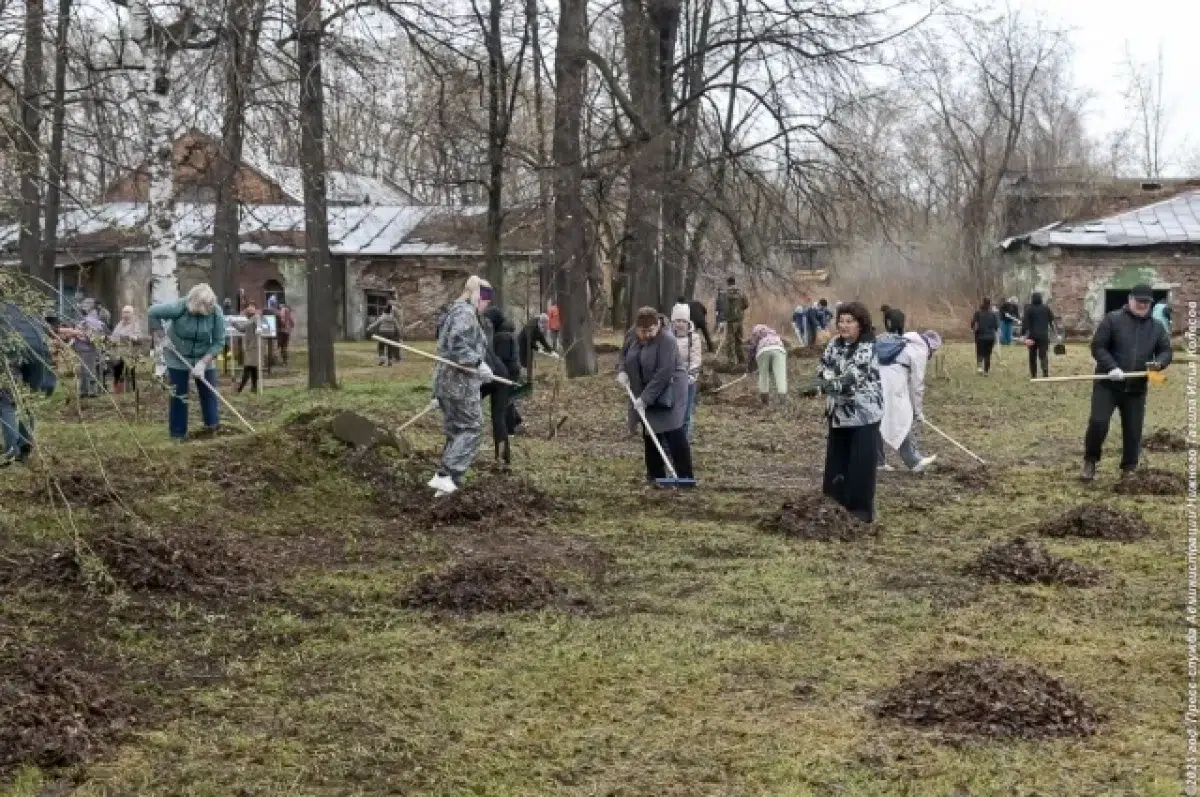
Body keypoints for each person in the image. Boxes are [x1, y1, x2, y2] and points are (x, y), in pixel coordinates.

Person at [802, 301, 883, 523]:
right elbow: (823, 368)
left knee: (860, 465)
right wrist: (821, 383)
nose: (844, 326)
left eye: (850, 321)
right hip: (838, 413)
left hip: (864, 414)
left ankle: (860, 512)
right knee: (837, 462)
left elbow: (853, 378)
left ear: (860, 324)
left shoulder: (868, 346)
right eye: (841, 321)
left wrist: (824, 385)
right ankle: (834, 506)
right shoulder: (833, 345)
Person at [1081, 284, 1172, 482]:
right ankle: (1090, 460)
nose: (1142, 305)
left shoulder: (1156, 327)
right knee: (1098, 423)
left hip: (1136, 388)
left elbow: (1166, 351)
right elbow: (1098, 347)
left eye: (1146, 302)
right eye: (1138, 301)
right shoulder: (1112, 320)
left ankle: (1129, 468)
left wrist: (1159, 363)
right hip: (1108, 384)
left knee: (1133, 430)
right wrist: (1111, 367)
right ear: (1130, 299)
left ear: (1150, 303)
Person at [427, 276, 494, 496]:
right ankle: (447, 474)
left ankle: (446, 485)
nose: (487, 304)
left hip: (450, 383)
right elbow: (457, 344)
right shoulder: (465, 313)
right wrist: (477, 364)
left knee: (456, 431)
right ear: (476, 294)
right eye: (485, 299)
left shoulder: (455, 312)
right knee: (472, 428)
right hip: (459, 385)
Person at [618, 306, 694, 486]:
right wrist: (622, 371)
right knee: (650, 431)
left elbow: (663, 373)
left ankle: (685, 476)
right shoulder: (632, 335)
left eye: (650, 331)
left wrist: (645, 399)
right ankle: (655, 474)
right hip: (644, 388)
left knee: (672, 429)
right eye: (642, 331)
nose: (646, 335)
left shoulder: (667, 340)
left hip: (671, 388)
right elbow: (623, 356)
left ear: (657, 325)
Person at [148, 283, 226, 441]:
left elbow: (219, 341)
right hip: (177, 354)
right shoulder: (179, 307)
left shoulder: (216, 313)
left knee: (208, 391)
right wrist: (161, 336)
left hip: (204, 354)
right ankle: (177, 434)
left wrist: (203, 363)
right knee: (178, 394)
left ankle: (212, 428)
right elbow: (152, 312)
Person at [0, 294, 56, 464]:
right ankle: (25, 447)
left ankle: (11, 451)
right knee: (28, 401)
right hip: (39, 353)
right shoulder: (23, 310)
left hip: (13, 353)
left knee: (4, 401)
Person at [878, 330, 941, 473]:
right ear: (932, 346)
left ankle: (878, 461)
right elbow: (917, 386)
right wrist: (917, 412)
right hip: (891, 383)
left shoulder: (907, 341)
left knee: (877, 418)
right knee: (900, 419)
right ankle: (914, 461)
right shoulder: (920, 350)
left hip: (879, 377)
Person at [483, 305, 522, 454]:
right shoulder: (504, 332)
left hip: (504, 374)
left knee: (503, 410)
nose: (488, 324)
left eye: (489, 320)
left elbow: (501, 359)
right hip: (504, 374)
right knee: (505, 407)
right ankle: (503, 451)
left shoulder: (502, 336)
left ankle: (511, 428)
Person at [671, 302, 703, 440]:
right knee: (671, 412)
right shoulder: (667, 337)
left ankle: (683, 440)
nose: (680, 324)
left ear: (688, 321)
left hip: (688, 382)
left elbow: (696, 359)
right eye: (677, 320)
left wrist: (690, 377)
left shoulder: (693, 338)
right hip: (670, 381)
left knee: (686, 413)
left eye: (683, 321)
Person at [746, 323, 788, 407]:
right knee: (781, 376)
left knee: (763, 376)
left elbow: (752, 352)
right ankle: (782, 402)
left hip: (763, 351)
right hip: (779, 350)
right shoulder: (775, 335)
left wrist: (749, 368)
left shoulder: (756, 335)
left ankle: (765, 402)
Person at [110, 305, 144, 394]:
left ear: (132, 314)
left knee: (131, 369)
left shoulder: (135, 325)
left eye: (128, 312)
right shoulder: (119, 324)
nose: (125, 315)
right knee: (117, 368)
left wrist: (133, 338)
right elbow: (114, 335)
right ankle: (117, 388)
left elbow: (139, 338)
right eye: (124, 312)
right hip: (118, 351)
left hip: (130, 352)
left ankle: (132, 389)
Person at [1022, 292, 1056, 379]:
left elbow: (1025, 323)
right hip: (1043, 336)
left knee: (1032, 355)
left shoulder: (1029, 309)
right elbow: (1052, 321)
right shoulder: (1046, 308)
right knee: (1043, 354)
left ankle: (1034, 375)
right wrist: (1055, 332)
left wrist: (1023, 334)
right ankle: (1045, 372)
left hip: (1032, 336)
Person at [231, 302, 263, 394]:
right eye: (249, 307)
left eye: (252, 307)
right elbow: (242, 329)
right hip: (250, 347)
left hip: (255, 347)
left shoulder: (256, 317)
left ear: (255, 309)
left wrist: (259, 328)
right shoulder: (249, 320)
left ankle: (240, 389)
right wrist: (234, 324)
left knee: (248, 367)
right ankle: (254, 388)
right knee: (253, 368)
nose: (250, 308)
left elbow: (259, 323)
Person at [722, 276, 749, 366]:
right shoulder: (741, 292)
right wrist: (740, 310)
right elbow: (746, 304)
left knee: (730, 342)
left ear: (728, 283)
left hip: (731, 321)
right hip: (739, 320)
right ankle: (741, 360)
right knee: (739, 341)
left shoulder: (726, 293)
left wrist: (725, 317)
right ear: (734, 282)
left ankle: (731, 362)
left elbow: (724, 307)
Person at [971, 298, 1000, 375]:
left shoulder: (978, 313)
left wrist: (974, 331)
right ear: (990, 304)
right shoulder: (993, 314)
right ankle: (986, 371)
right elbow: (996, 327)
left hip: (980, 336)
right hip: (990, 337)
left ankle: (979, 368)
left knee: (980, 352)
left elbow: (974, 324)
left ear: (982, 303)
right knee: (988, 354)